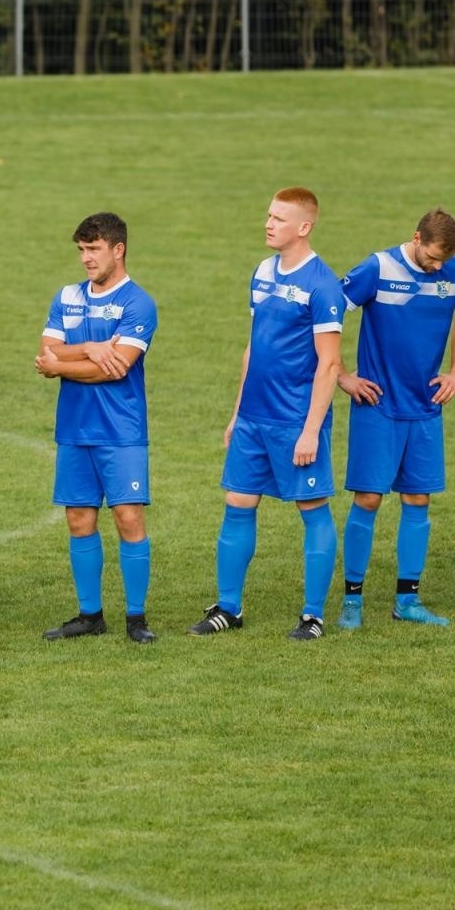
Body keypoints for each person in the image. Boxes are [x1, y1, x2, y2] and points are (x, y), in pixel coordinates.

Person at [188, 188, 342, 641]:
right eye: (268, 216)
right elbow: (254, 346)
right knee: (238, 504)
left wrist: (312, 430)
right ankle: (228, 608)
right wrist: (238, 411)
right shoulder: (261, 271)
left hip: (296, 420)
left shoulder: (322, 285)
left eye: (278, 218)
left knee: (312, 510)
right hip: (254, 419)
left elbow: (330, 364)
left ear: (304, 227)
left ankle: (313, 615)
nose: (268, 223)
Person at [334, 209, 455, 630]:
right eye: (431, 258)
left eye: (442, 261)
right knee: (369, 499)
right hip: (378, 406)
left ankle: (407, 601)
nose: (436, 267)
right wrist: (342, 376)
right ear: (415, 238)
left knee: (418, 500)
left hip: (426, 406)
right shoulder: (377, 268)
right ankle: (352, 602)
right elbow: (327, 317)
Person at [34, 212, 158, 645]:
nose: (86, 258)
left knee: (128, 517)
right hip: (74, 430)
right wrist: (87, 348)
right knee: (79, 519)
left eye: (94, 250)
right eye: (82, 250)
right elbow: (44, 356)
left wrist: (64, 363)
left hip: (121, 431)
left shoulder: (137, 303)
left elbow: (118, 369)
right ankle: (90, 616)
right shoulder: (66, 297)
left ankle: (136, 618)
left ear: (118, 249)